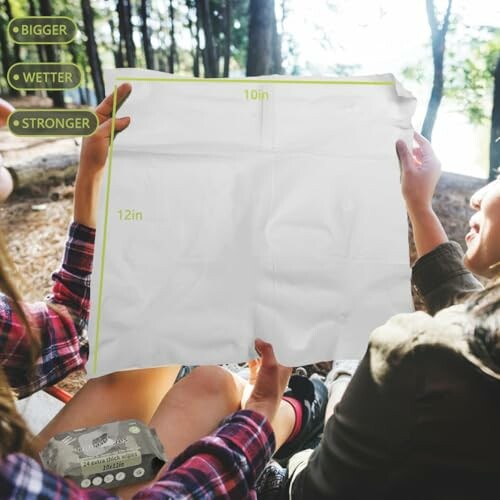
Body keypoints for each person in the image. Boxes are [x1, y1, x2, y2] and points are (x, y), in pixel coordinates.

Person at [0, 84, 321, 499]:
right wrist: (259, 415)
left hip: (39, 466)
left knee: (193, 380)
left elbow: (68, 330)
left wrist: (89, 181)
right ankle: (289, 416)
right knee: (216, 390)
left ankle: (266, 408)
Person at [279, 133, 500, 499]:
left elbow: (317, 487)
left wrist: (344, 381)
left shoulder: (419, 353)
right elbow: (465, 305)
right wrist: (419, 205)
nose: (477, 196)